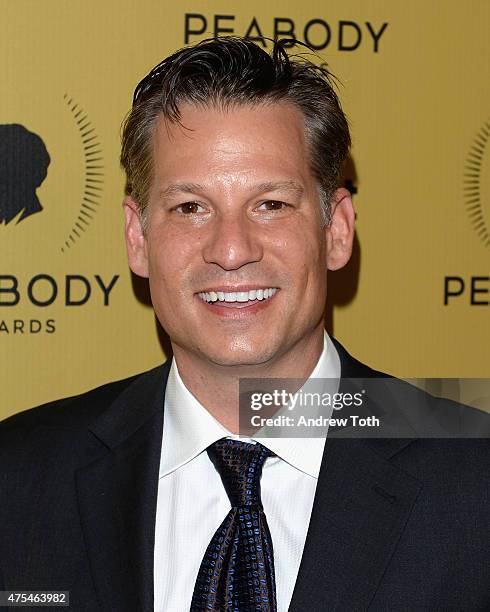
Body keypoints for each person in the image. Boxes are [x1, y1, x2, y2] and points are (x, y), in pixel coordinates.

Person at [0, 37, 489, 612]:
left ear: (337, 231)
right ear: (138, 238)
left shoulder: (475, 477)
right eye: (190, 207)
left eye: (272, 205)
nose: (231, 251)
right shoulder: (19, 475)